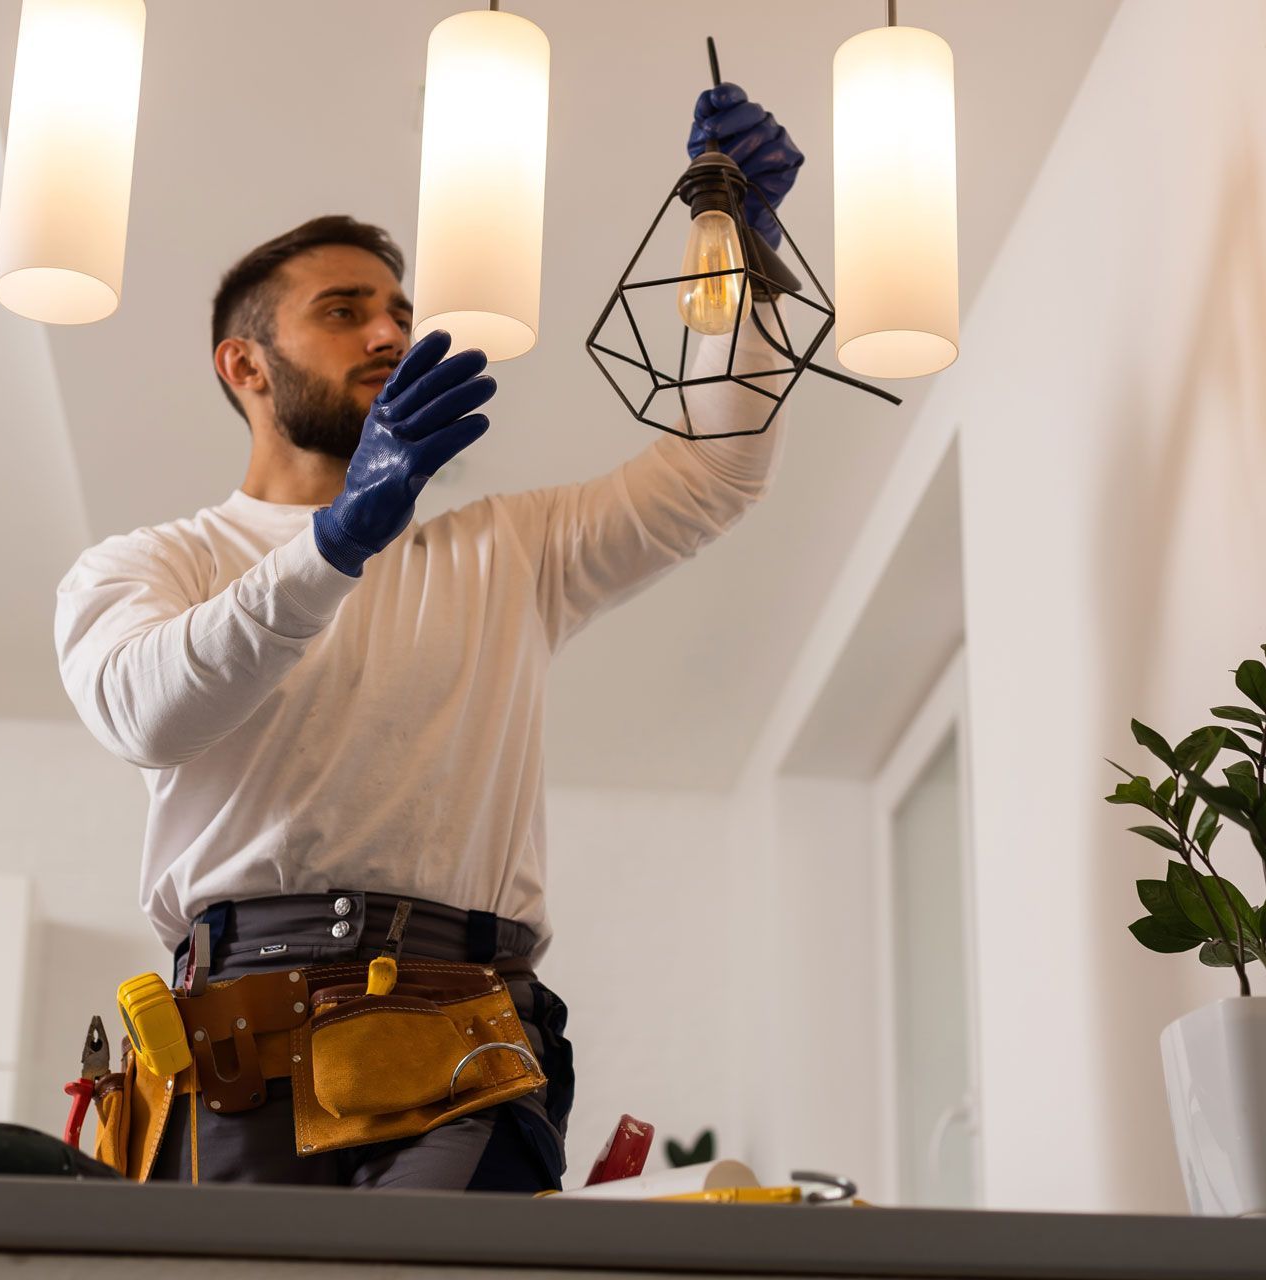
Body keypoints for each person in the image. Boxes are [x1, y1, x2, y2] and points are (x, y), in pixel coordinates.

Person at [53, 82, 803, 1192]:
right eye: (345, 310)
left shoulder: (505, 552)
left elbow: (715, 469)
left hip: (472, 1035)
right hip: (236, 1050)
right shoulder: (150, 564)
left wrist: (742, 261)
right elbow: (148, 708)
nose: (391, 333)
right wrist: (338, 540)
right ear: (245, 365)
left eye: (398, 311)